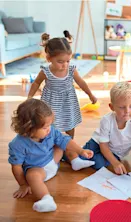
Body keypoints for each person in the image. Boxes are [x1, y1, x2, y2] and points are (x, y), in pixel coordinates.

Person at [8, 99, 95, 212]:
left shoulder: (50, 131)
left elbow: (65, 141)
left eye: (49, 125)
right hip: (39, 170)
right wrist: (23, 185)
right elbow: (16, 167)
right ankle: (46, 199)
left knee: (64, 139)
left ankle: (75, 161)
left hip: (53, 159)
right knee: (32, 175)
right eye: (45, 127)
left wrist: (81, 151)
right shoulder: (17, 144)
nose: (49, 129)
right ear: (29, 128)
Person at [28, 32, 97, 167]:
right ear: (49, 58)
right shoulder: (45, 71)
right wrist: (29, 97)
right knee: (51, 126)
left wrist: (90, 95)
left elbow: (82, 83)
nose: (64, 65)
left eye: (67, 61)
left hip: (68, 102)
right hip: (50, 103)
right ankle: (52, 149)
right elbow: (36, 83)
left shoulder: (71, 70)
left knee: (70, 124)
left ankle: (68, 146)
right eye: (60, 62)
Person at [78, 82, 131, 186]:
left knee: (100, 165)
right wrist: (115, 163)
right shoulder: (106, 120)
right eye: (122, 107)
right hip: (97, 143)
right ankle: (70, 150)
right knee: (81, 157)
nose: (127, 111)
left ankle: (88, 156)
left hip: (115, 153)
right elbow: (103, 145)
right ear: (112, 107)